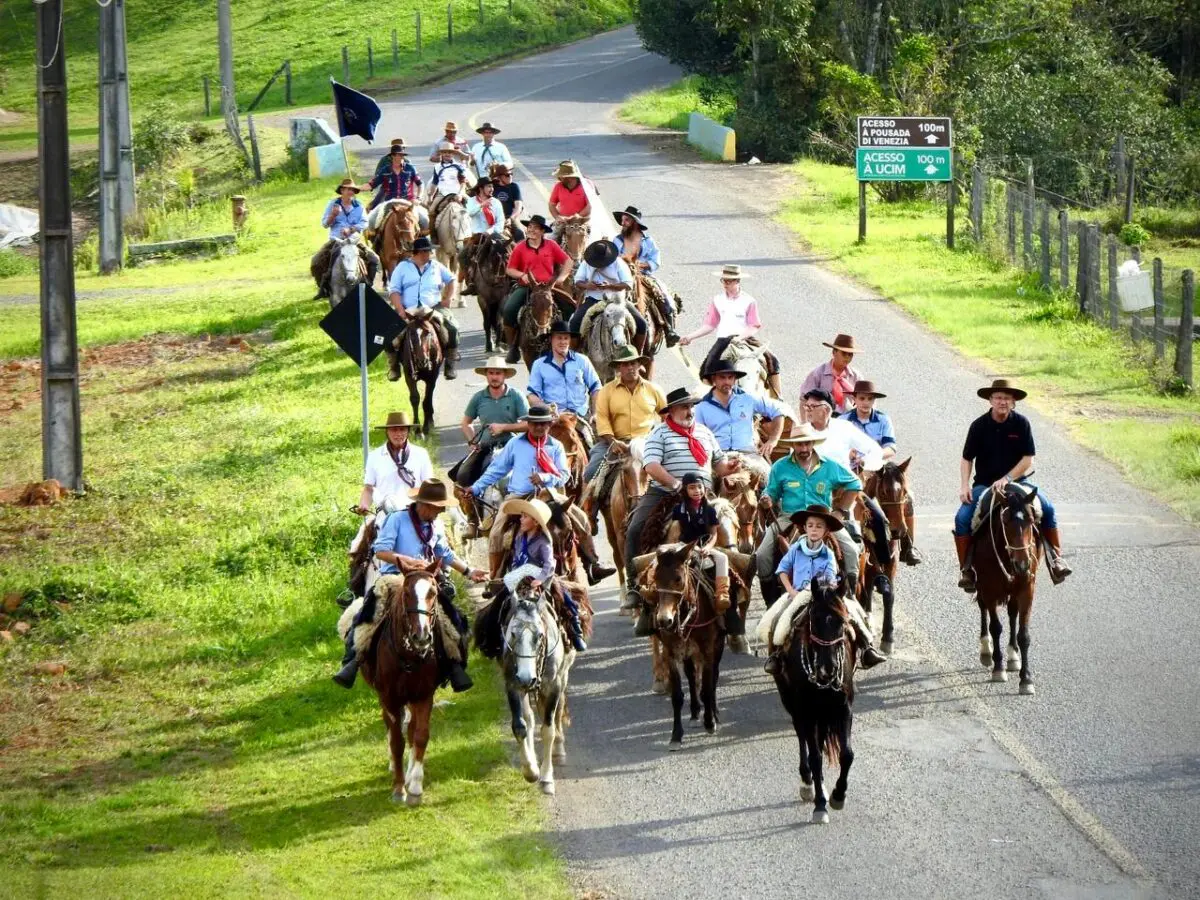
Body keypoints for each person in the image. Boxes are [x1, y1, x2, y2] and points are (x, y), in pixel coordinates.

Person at [333, 478, 487, 691]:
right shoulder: (397, 519)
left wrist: (470, 571)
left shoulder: (434, 525)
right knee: (367, 615)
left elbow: (445, 554)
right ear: (425, 505)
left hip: (425, 579)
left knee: (454, 619)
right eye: (438, 508)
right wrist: (406, 561)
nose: (440, 512)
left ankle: (454, 665)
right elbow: (381, 551)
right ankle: (352, 660)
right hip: (394, 577)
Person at [620, 388, 744, 646]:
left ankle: (732, 591)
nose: (689, 411)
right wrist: (676, 485)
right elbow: (651, 466)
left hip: (703, 494)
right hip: (666, 492)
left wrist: (729, 468)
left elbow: (718, 465)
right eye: (684, 407)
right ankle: (634, 587)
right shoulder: (659, 433)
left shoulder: (704, 432)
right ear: (671, 411)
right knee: (635, 528)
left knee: (730, 530)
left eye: (692, 406)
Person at [472, 406, 616, 586]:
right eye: (534, 424)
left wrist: (544, 477)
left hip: (551, 495)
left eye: (543, 424)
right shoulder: (515, 444)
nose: (539, 428)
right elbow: (496, 469)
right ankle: (496, 577)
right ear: (528, 424)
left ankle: (592, 564)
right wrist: (476, 488)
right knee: (497, 531)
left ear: (549, 424)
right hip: (519, 496)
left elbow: (564, 475)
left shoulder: (555, 446)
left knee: (581, 519)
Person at [954, 379, 1072, 590]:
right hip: (984, 484)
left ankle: (1056, 559)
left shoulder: (1022, 423)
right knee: (962, 518)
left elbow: (1028, 459)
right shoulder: (979, 426)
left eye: (1007, 398)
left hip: (1018, 482)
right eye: (998, 397)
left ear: (1014, 402)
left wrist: (1007, 478)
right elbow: (966, 458)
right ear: (990, 400)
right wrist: (964, 486)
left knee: (1048, 508)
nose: (1002, 402)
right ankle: (967, 570)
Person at [758, 505, 885, 674]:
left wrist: (826, 592)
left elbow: (830, 578)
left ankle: (867, 648)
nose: (814, 530)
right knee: (778, 620)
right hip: (798, 594)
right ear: (804, 528)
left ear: (826, 531)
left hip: (824, 594)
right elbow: (782, 571)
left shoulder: (828, 554)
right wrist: (790, 591)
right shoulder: (796, 549)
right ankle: (776, 655)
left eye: (819, 526)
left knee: (854, 613)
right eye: (810, 526)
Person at [755, 423, 863, 606]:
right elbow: (771, 492)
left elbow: (855, 484)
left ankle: (850, 598)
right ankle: (770, 602)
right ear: (793, 445)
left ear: (813, 443)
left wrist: (840, 511)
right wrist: (767, 499)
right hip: (789, 516)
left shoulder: (829, 465)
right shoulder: (780, 467)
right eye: (799, 444)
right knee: (762, 554)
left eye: (807, 444)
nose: (804, 448)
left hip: (823, 518)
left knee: (852, 551)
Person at [581, 345, 666, 531]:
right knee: (591, 472)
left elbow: (666, 417)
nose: (630, 368)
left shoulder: (653, 390)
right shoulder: (607, 391)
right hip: (614, 442)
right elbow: (601, 419)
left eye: (633, 363)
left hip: (646, 443)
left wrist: (661, 440)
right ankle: (589, 514)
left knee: (672, 469)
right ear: (618, 368)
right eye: (625, 364)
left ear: (640, 365)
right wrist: (613, 441)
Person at [841, 380, 922, 565]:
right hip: (850, 468)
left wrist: (873, 456)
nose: (865, 403)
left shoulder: (883, 419)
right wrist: (852, 454)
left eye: (869, 399)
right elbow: (837, 446)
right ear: (854, 399)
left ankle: (908, 546)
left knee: (908, 497)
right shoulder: (843, 421)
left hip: (879, 468)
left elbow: (891, 448)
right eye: (862, 398)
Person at [679, 264, 781, 396]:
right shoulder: (717, 300)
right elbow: (710, 325)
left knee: (773, 361)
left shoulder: (749, 301)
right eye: (723, 280)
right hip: (723, 340)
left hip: (744, 338)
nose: (725, 284)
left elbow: (754, 325)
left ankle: (778, 396)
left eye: (729, 281)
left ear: (738, 281)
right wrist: (690, 337)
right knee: (706, 369)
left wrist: (740, 338)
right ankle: (711, 397)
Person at [505, 497, 588, 652]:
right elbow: (516, 559)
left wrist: (540, 579)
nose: (521, 519)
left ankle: (575, 630)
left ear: (536, 522)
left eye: (524, 516)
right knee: (501, 599)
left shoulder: (544, 541)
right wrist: (515, 571)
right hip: (521, 576)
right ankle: (493, 635)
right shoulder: (519, 538)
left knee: (564, 598)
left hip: (541, 576)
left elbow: (550, 565)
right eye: (521, 515)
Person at [693, 360, 790, 483]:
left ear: (735, 379)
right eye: (722, 378)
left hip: (748, 454)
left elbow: (778, 411)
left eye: (730, 377)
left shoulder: (748, 398)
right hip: (718, 457)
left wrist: (773, 440)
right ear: (714, 379)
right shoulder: (702, 406)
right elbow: (698, 435)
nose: (727, 382)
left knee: (772, 483)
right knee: (701, 485)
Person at [501, 215, 574, 364]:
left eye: (535, 228)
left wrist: (561, 278)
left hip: (548, 287)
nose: (531, 230)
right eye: (530, 227)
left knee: (570, 308)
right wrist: (522, 275)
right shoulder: (520, 247)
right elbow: (510, 269)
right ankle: (513, 346)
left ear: (542, 231)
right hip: (527, 287)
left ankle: (569, 345)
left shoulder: (551, 245)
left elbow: (568, 261)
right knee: (509, 310)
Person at [387, 236, 460, 380]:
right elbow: (394, 290)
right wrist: (400, 310)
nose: (430, 254)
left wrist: (448, 298)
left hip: (433, 309)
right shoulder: (402, 267)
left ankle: (450, 365)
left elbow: (451, 279)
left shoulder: (436, 266)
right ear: (418, 252)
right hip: (408, 309)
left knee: (453, 328)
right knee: (388, 333)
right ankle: (394, 366)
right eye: (427, 251)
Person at [611, 205, 680, 346]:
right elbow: (611, 258)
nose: (623, 223)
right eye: (622, 220)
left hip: (642, 275)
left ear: (635, 223)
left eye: (626, 220)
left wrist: (641, 265)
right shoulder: (617, 240)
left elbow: (656, 260)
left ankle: (669, 328)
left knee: (661, 292)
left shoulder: (648, 241)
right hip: (620, 275)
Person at [526, 321, 602, 447]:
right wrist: (547, 409)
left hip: (580, 416)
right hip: (553, 418)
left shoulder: (582, 360)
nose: (563, 342)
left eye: (566, 338)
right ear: (551, 339)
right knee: (536, 448)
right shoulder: (539, 365)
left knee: (596, 447)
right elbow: (532, 395)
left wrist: (595, 413)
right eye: (559, 338)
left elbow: (596, 388)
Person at [668, 472, 732, 612]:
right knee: (661, 556)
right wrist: (690, 548)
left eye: (699, 487)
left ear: (704, 488)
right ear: (685, 490)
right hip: (683, 546)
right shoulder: (679, 509)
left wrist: (708, 547)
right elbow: (676, 532)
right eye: (692, 487)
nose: (697, 491)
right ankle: (651, 586)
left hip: (704, 546)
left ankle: (722, 593)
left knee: (723, 557)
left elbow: (714, 534)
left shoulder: (709, 510)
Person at [568, 240, 644, 350]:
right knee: (575, 322)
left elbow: (627, 284)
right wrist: (587, 286)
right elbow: (578, 281)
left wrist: (610, 287)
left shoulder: (618, 263)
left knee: (642, 324)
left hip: (617, 300)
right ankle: (573, 353)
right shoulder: (586, 263)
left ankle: (638, 354)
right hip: (594, 300)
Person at [312, 178, 380, 298]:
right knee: (316, 261)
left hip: (354, 240)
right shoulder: (332, 204)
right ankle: (323, 288)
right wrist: (333, 215)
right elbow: (324, 224)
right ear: (342, 190)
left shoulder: (358, 205)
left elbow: (364, 223)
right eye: (348, 189)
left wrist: (351, 229)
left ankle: (368, 285)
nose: (351, 192)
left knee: (374, 258)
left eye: (353, 190)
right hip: (336, 241)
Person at [800, 389, 884, 474]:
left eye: (812, 406)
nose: (807, 410)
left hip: (841, 483)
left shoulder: (844, 428)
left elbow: (875, 450)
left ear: (826, 410)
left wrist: (864, 465)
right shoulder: (801, 432)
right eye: (806, 406)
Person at [459, 176, 506, 290]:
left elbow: (501, 221)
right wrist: (481, 205)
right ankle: (470, 281)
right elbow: (469, 213)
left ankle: (511, 277)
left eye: (492, 186)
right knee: (462, 256)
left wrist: (489, 231)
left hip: (494, 233)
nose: (492, 189)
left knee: (509, 249)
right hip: (477, 235)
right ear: (481, 188)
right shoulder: (471, 201)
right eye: (489, 186)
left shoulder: (496, 202)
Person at [799, 334, 862, 418]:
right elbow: (804, 399)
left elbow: (866, 400)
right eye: (844, 353)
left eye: (850, 355)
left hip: (847, 419)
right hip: (821, 419)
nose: (847, 357)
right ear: (834, 352)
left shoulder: (856, 376)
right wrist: (806, 424)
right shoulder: (818, 373)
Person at [366, 142, 421, 209]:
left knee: (424, 219)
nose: (402, 157)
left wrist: (418, 198)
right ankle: (371, 208)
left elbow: (419, 183)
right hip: (388, 196)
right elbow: (375, 179)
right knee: (373, 216)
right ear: (393, 155)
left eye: (402, 154)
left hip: (407, 201)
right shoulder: (384, 161)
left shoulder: (409, 166)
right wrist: (356, 188)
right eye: (399, 154)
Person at [548, 159, 591, 225]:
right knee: (551, 234)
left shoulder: (586, 185)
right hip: (564, 222)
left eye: (561, 177)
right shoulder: (558, 186)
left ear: (569, 177)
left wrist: (576, 217)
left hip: (582, 221)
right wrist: (557, 217)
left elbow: (590, 205)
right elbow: (551, 204)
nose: (559, 178)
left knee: (577, 234)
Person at [490, 163, 525, 242]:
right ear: (500, 177)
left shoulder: (514, 187)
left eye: (511, 174)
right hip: (493, 218)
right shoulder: (492, 187)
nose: (510, 176)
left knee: (520, 233)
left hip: (510, 217)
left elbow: (518, 206)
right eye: (507, 175)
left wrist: (511, 218)